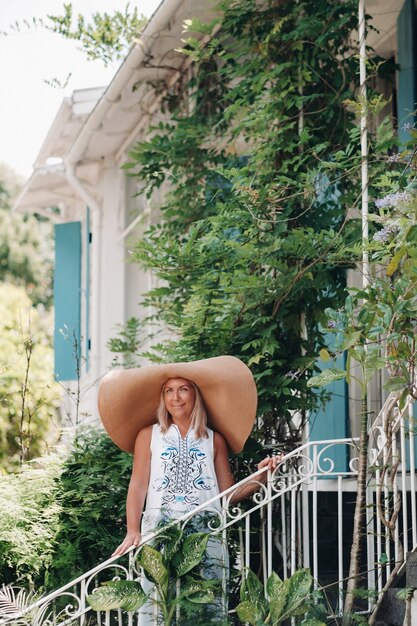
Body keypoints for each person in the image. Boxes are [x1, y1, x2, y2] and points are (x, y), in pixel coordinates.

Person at [98, 356, 282, 624]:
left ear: (195, 395)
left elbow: (227, 495)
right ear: (163, 398)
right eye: (169, 391)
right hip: (159, 530)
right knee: (158, 604)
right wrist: (133, 530)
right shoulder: (148, 435)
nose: (176, 397)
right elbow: (138, 485)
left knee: (204, 607)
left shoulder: (214, 439)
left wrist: (263, 475)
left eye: (183, 389)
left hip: (206, 534)